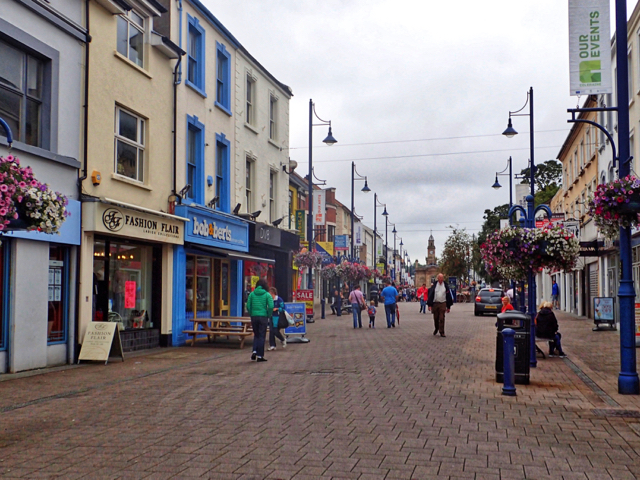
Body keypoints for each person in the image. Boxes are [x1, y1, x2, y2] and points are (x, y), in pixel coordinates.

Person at [246, 279, 273, 362]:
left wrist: (251, 313)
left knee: (256, 335)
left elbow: (248, 305)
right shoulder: (267, 295)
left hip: (254, 316)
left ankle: (254, 351)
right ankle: (260, 356)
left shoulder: (252, 294)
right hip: (263, 317)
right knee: (262, 336)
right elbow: (271, 306)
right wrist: (268, 314)